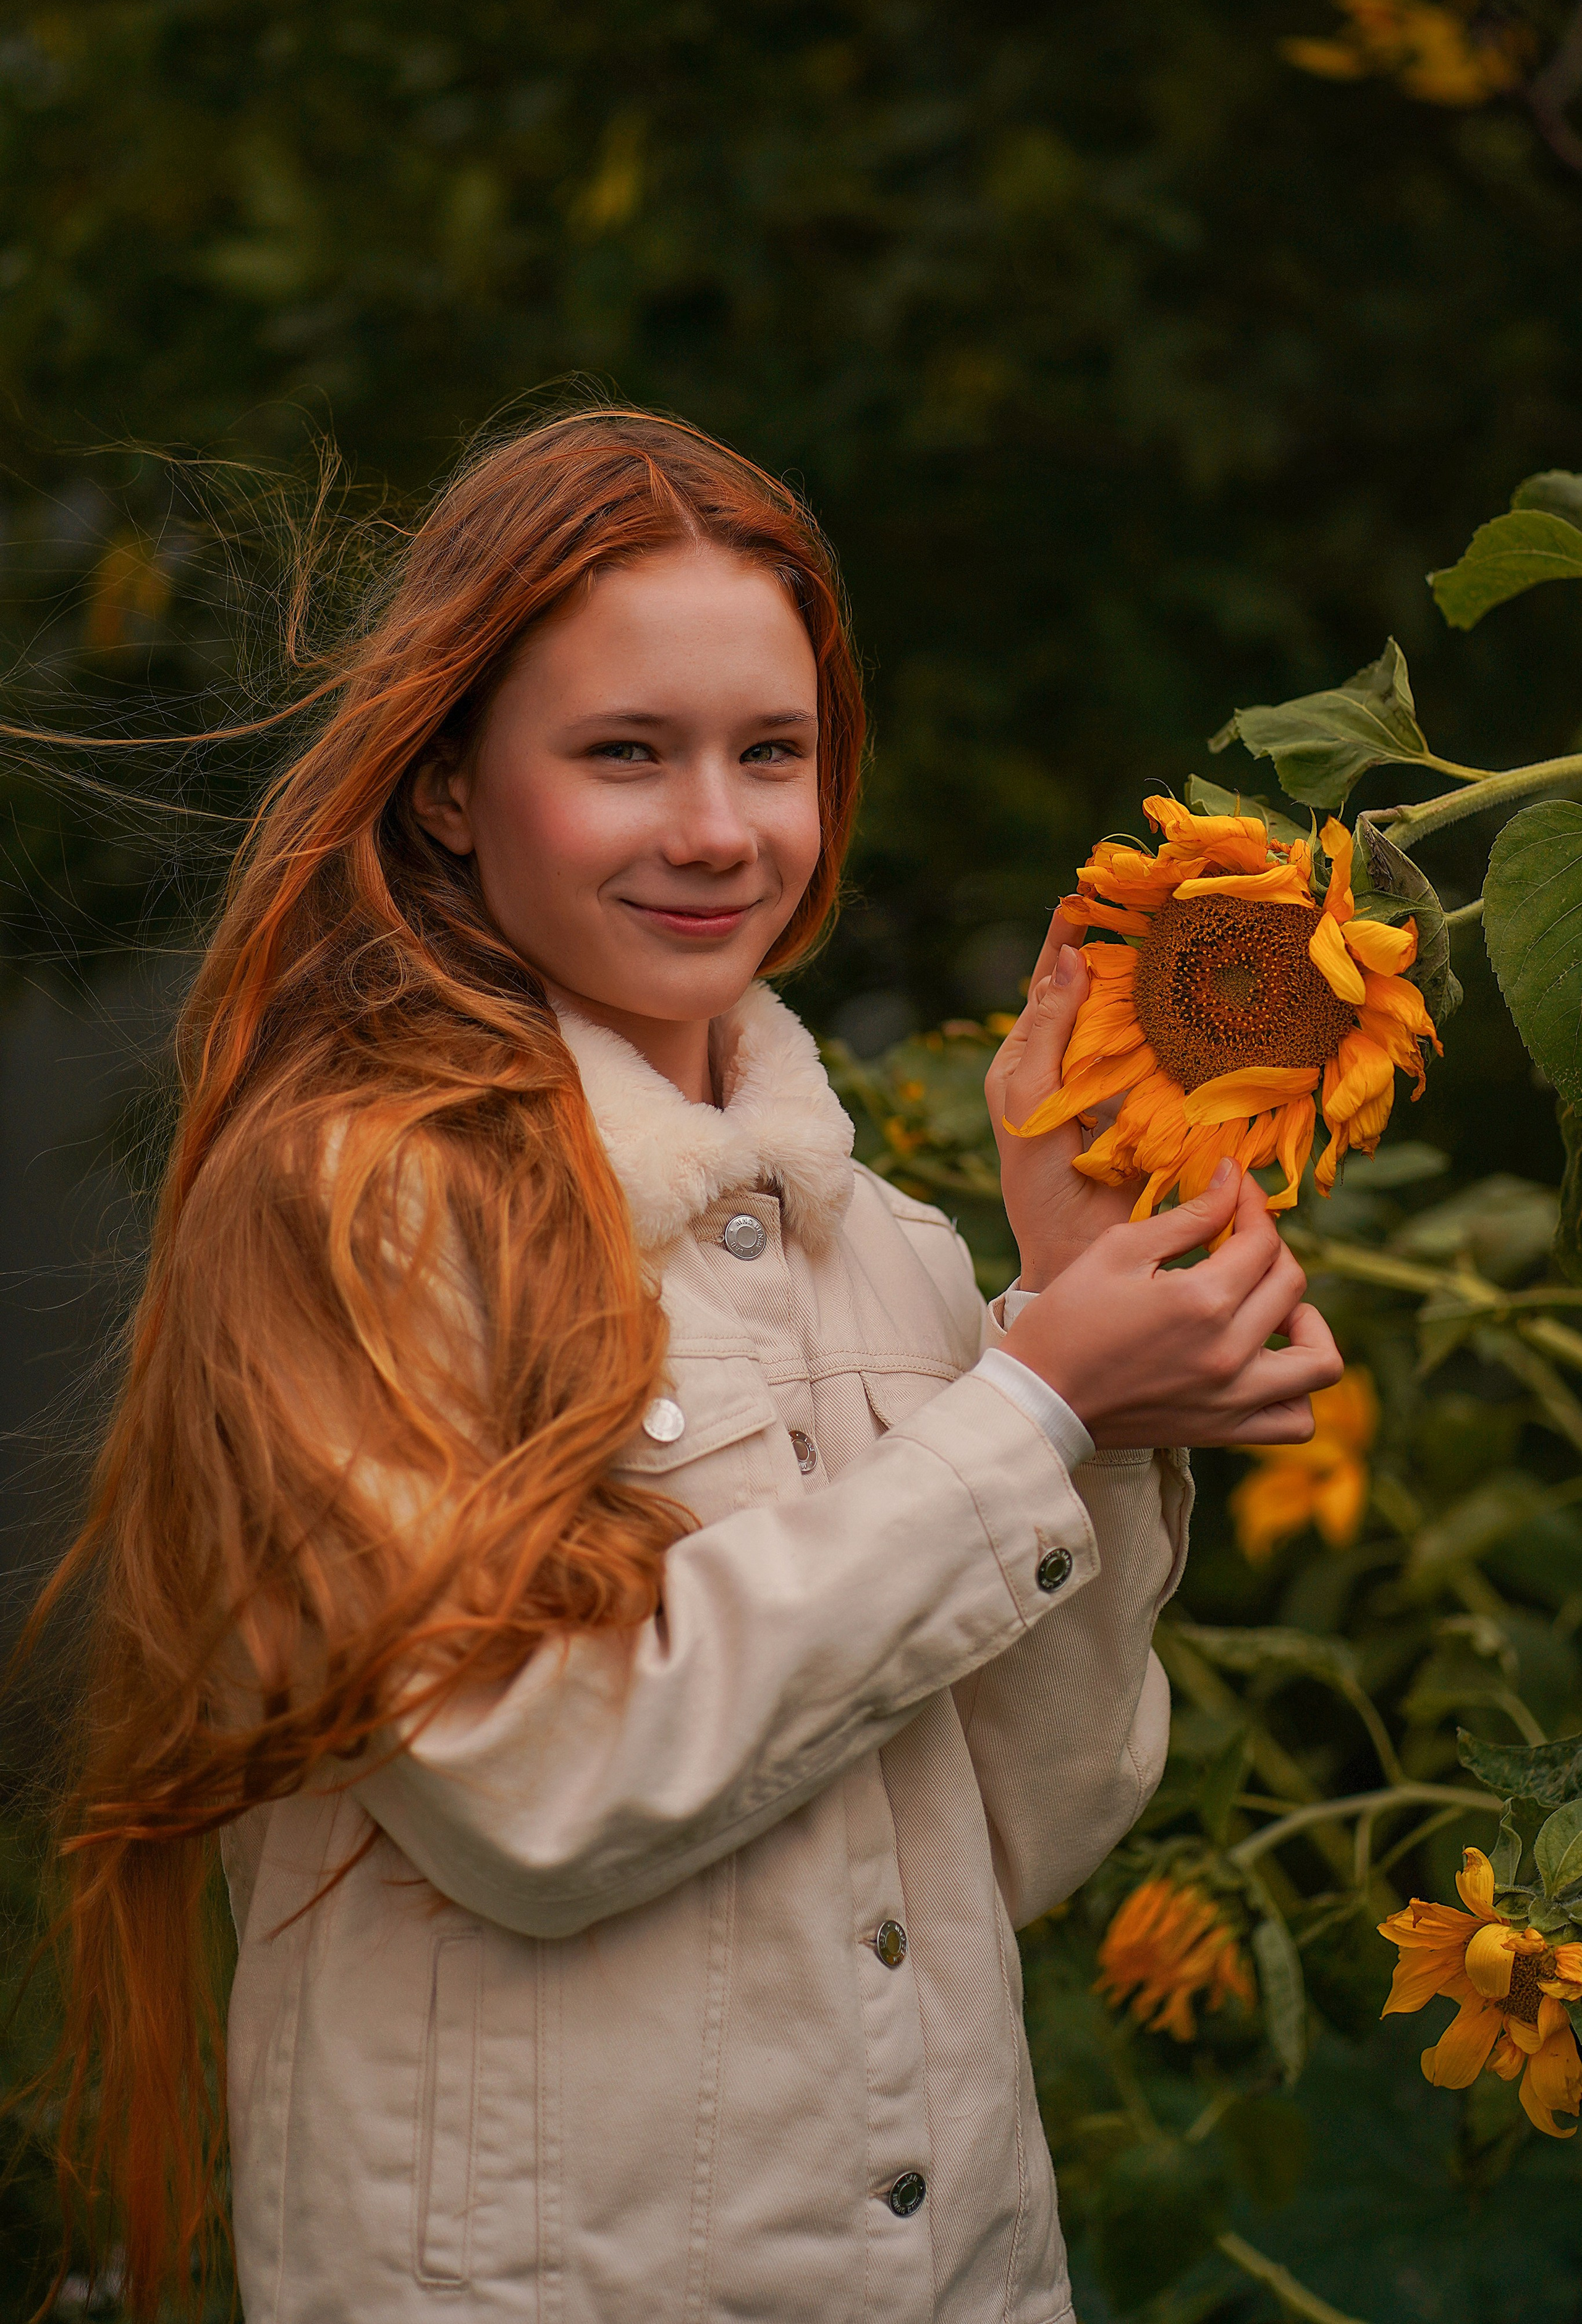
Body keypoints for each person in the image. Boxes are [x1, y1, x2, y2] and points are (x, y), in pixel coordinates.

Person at [39, 410, 1340, 2324]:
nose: (719, 828)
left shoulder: (884, 1250)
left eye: (773, 752)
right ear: (456, 787)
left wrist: (1083, 1359)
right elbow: (532, 1793)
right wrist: (1035, 1411)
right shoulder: (361, 1210)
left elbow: (1020, 1835)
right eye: (625, 753)